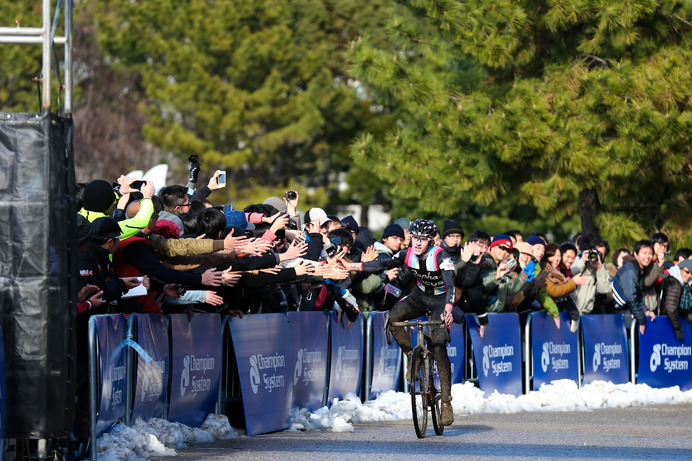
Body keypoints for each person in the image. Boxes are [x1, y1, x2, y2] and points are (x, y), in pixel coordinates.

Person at [342, 219, 456, 426]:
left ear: (430, 241)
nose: (418, 243)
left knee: (438, 348)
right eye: (415, 238)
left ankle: (446, 401)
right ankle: (413, 356)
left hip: (441, 300)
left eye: (423, 239)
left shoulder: (440, 255)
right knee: (394, 318)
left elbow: (451, 284)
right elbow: (381, 264)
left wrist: (448, 309)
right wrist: (352, 265)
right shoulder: (407, 254)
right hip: (419, 296)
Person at [614, 240, 656, 334]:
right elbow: (631, 298)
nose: (647, 256)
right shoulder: (630, 270)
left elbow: (637, 295)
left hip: (628, 315)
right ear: (636, 254)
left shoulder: (639, 269)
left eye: (650, 253)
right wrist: (641, 320)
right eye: (644, 253)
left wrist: (646, 311)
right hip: (620, 319)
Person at [657, 259, 692, 341]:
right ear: (680, 269)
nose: (689, 276)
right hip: (665, 324)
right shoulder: (675, 284)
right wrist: (678, 328)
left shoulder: (672, 277)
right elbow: (671, 308)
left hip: (663, 321)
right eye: (687, 272)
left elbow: (682, 309)